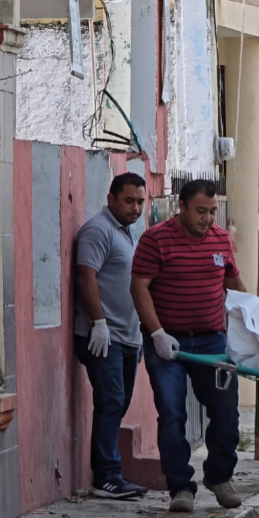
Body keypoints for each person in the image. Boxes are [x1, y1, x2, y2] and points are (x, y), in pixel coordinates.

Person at [130, 179, 247, 513]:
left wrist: (253, 328)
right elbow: (139, 287)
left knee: (226, 413)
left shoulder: (221, 240)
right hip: (169, 343)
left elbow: (234, 284)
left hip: (213, 342)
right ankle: (181, 486)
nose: (208, 219)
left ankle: (220, 477)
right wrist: (156, 333)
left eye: (212, 212)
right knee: (171, 413)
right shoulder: (156, 240)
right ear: (181, 206)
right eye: (201, 211)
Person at [74, 172, 150, 500]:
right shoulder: (98, 230)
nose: (135, 208)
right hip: (103, 336)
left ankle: (111, 471)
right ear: (111, 199)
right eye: (129, 200)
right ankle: (107, 476)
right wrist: (98, 322)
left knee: (119, 403)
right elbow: (86, 276)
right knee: (111, 401)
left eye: (140, 202)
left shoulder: (132, 234)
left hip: (129, 336)